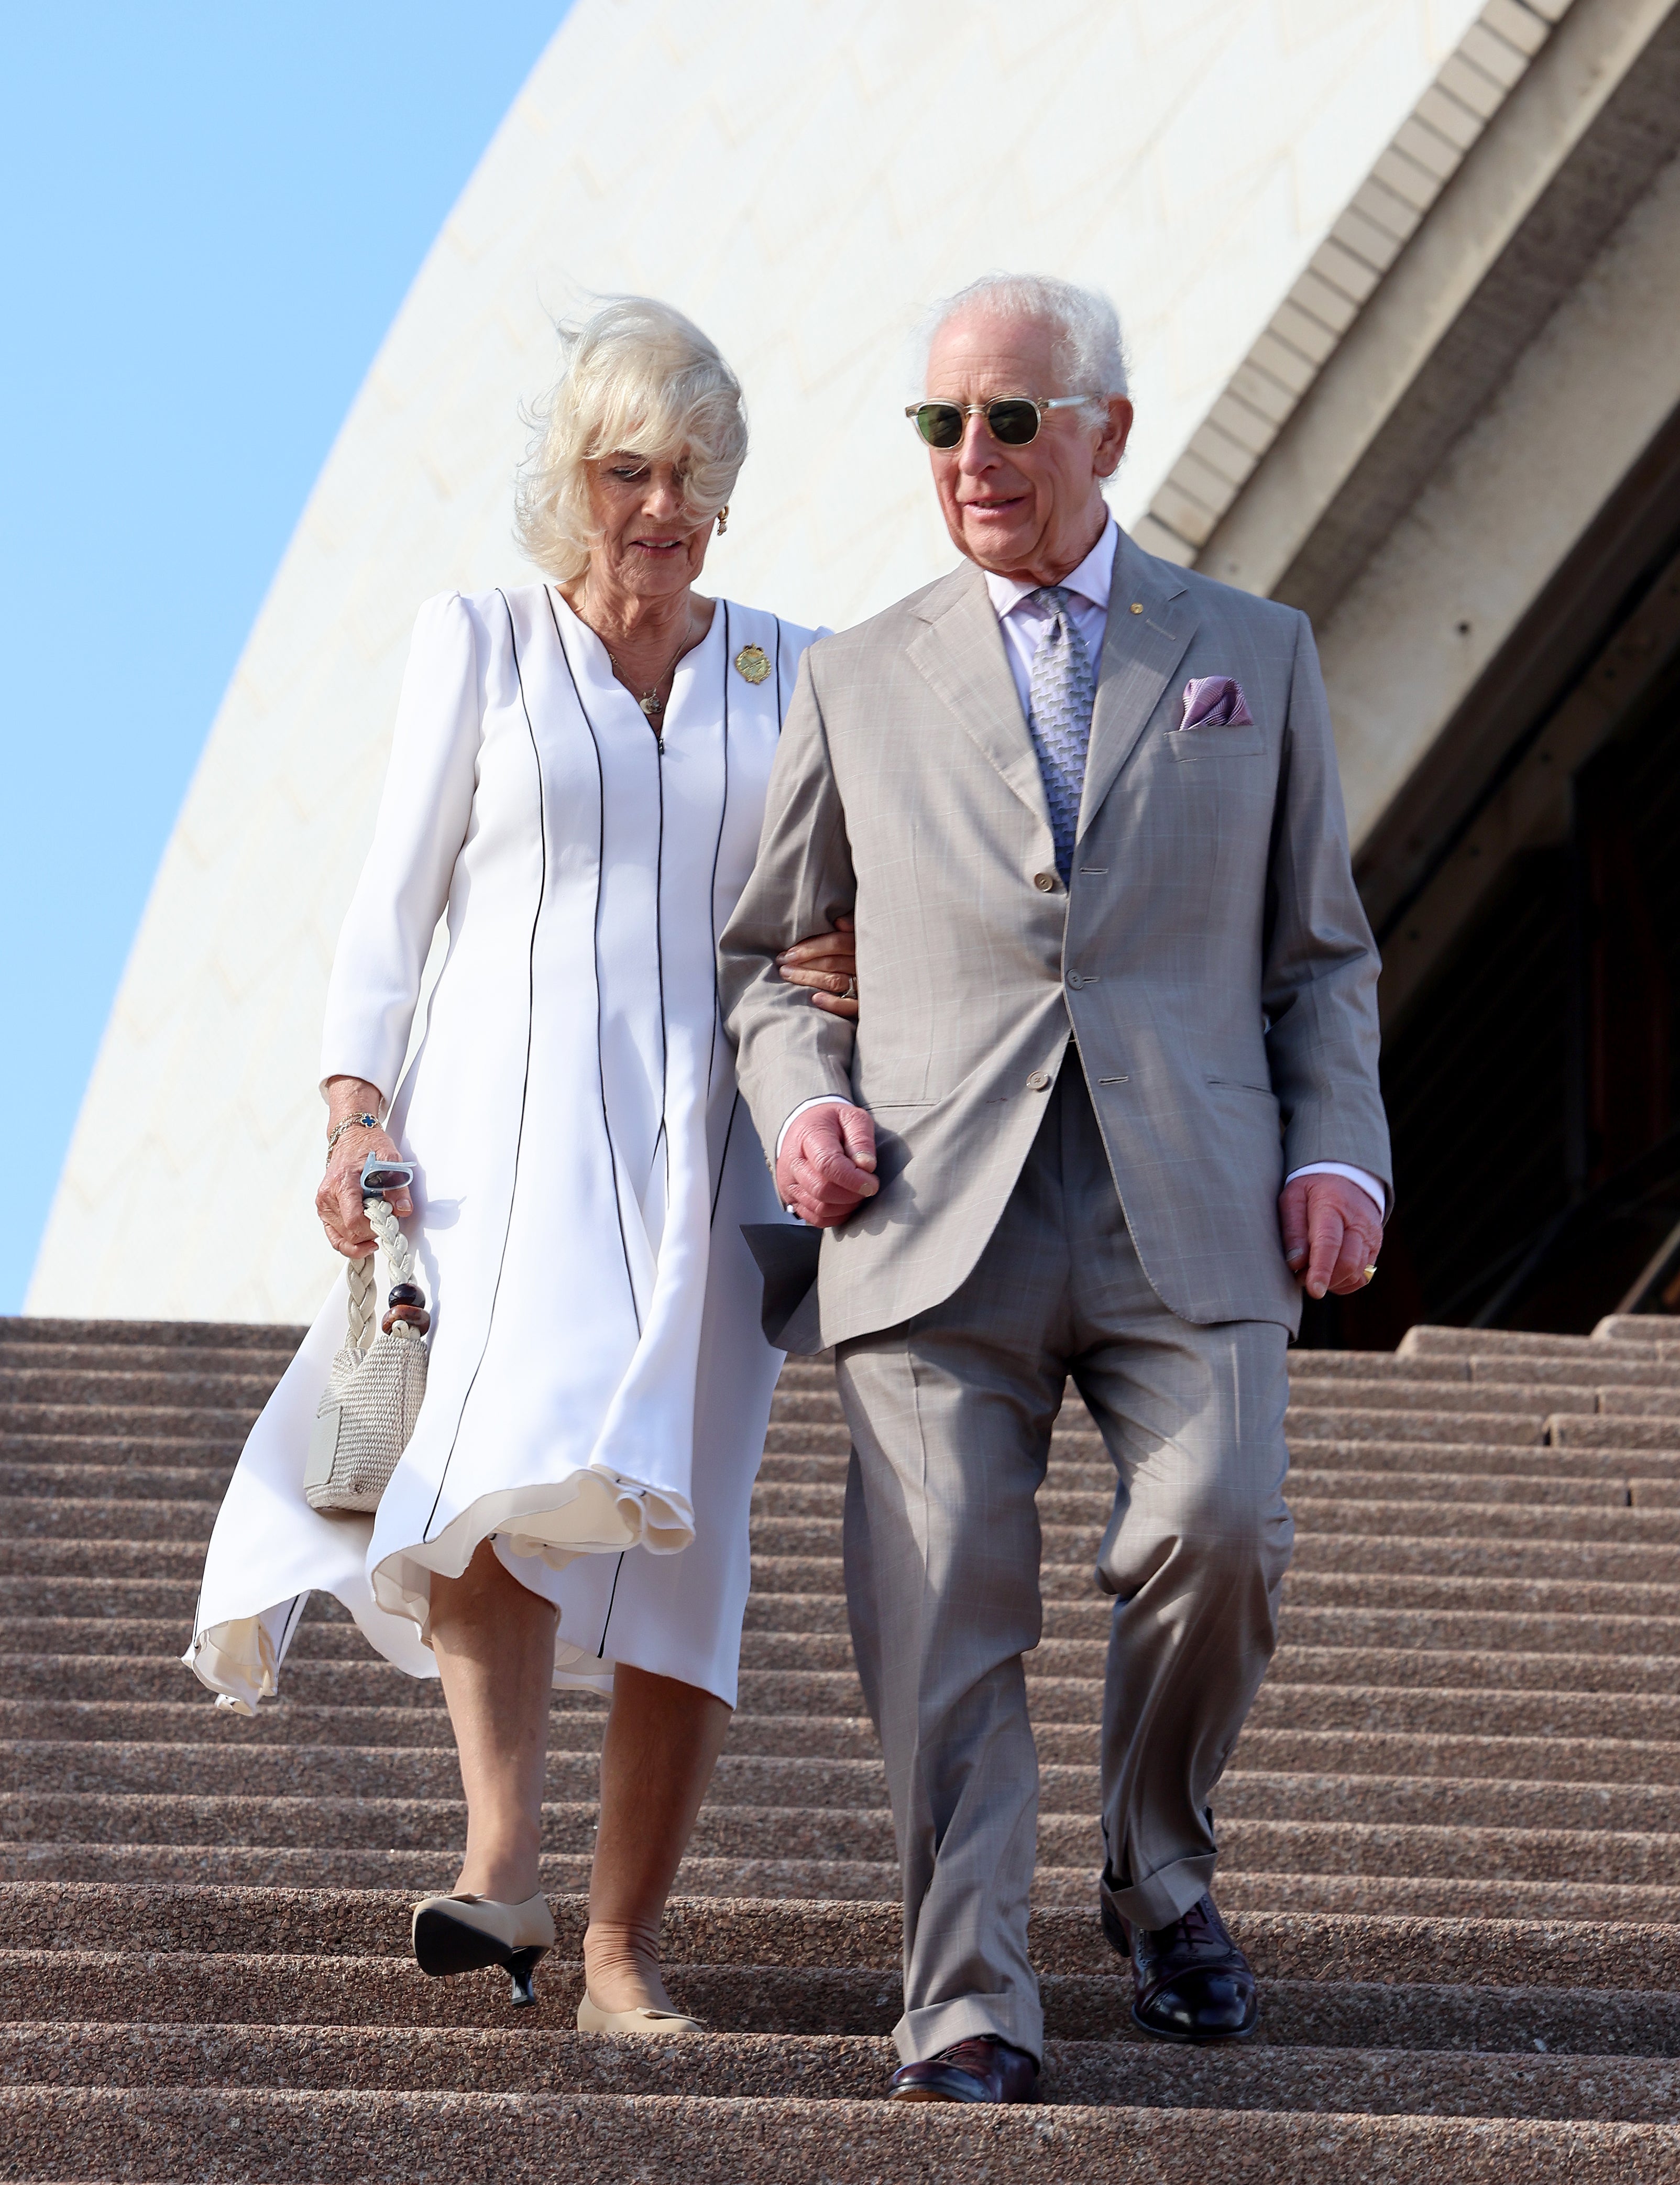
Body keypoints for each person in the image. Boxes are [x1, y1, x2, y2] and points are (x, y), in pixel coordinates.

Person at [721, 272, 1390, 2102]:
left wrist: (1339, 1142)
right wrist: (804, 1107)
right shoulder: (860, 677)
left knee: (1226, 1525)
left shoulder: (1255, 650)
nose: (974, 460)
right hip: (934, 1206)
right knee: (944, 1591)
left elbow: (1321, 954)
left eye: (1011, 419)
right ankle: (965, 1987)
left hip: (1195, 1193)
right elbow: (773, 964)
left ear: (1105, 426)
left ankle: (1156, 1866)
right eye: (943, 425)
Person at [184, 295, 858, 2028]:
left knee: (686, 1547)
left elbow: (838, 906)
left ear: (725, 487)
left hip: (710, 1159)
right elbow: (390, 905)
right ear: (570, 479)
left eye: (688, 471)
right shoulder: (479, 639)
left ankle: (625, 1947)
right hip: (496, 1137)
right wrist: (355, 1108)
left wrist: (861, 960)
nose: (656, 503)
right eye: (623, 467)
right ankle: (502, 1866)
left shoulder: (795, 665)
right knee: (487, 1467)